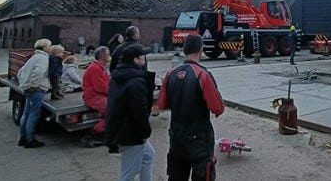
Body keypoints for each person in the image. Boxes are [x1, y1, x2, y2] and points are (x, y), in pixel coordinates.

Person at [156, 34, 225, 180]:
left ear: (184, 49)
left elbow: (161, 104)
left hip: (176, 136)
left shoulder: (170, 74)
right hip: (198, 138)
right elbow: (218, 108)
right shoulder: (203, 75)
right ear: (201, 50)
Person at [106, 44, 155, 181]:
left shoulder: (119, 76)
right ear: (135, 60)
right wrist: (145, 132)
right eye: (142, 56)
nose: (145, 58)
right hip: (131, 133)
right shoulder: (136, 82)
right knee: (128, 172)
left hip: (121, 128)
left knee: (148, 155)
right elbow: (139, 111)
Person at [17, 38, 52, 148]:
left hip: (28, 89)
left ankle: (23, 137)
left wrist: (24, 83)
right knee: (33, 114)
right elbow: (38, 73)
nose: (50, 48)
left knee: (26, 113)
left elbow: (20, 72)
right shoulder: (43, 58)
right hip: (36, 90)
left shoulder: (34, 57)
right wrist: (34, 85)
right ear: (45, 47)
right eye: (49, 46)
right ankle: (30, 140)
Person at [82, 46, 111, 147]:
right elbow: (101, 87)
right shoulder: (95, 69)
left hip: (98, 96)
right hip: (93, 97)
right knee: (114, 110)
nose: (109, 56)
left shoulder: (99, 67)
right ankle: (93, 134)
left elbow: (107, 82)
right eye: (108, 54)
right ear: (102, 56)